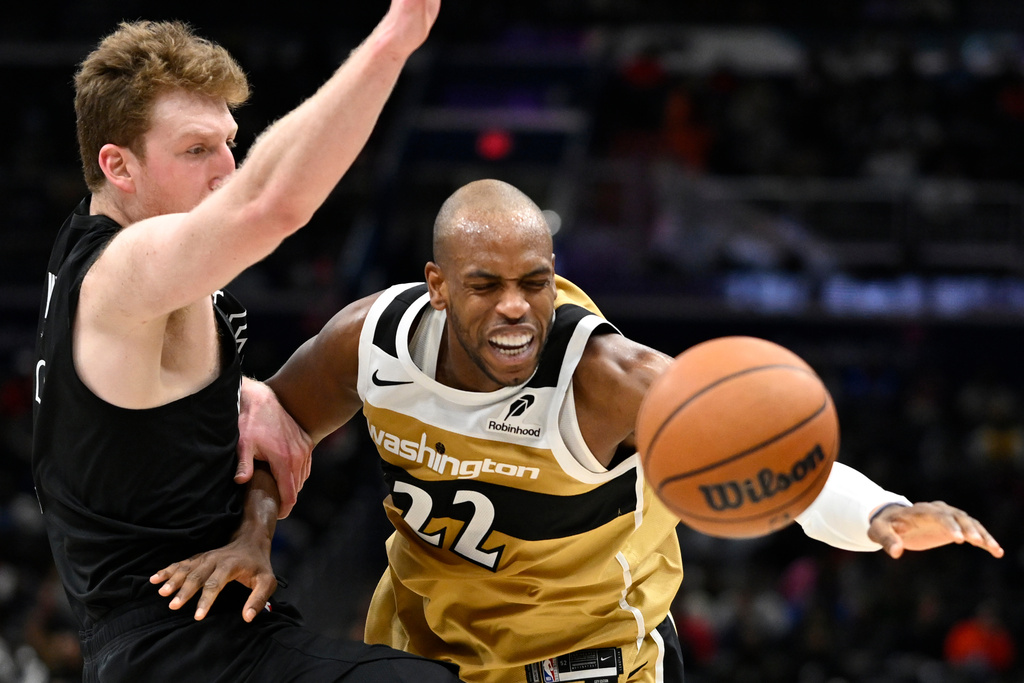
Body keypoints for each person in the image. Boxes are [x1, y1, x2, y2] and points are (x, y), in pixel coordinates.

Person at [154, 179, 1004, 683]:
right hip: (422, 646)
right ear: (437, 286)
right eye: (486, 285)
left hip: (585, 660)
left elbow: (766, 458)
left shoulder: (609, 380)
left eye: (536, 281)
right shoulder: (370, 342)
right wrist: (253, 535)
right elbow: (279, 423)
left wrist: (880, 512)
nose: (516, 307)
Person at [31, 2, 464, 681]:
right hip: (185, 649)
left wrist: (243, 391)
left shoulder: (98, 251)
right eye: (196, 150)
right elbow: (271, 204)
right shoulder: (121, 270)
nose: (227, 170)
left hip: (181, 641)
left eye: (230, 142)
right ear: (118, 166)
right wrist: (396, 36)